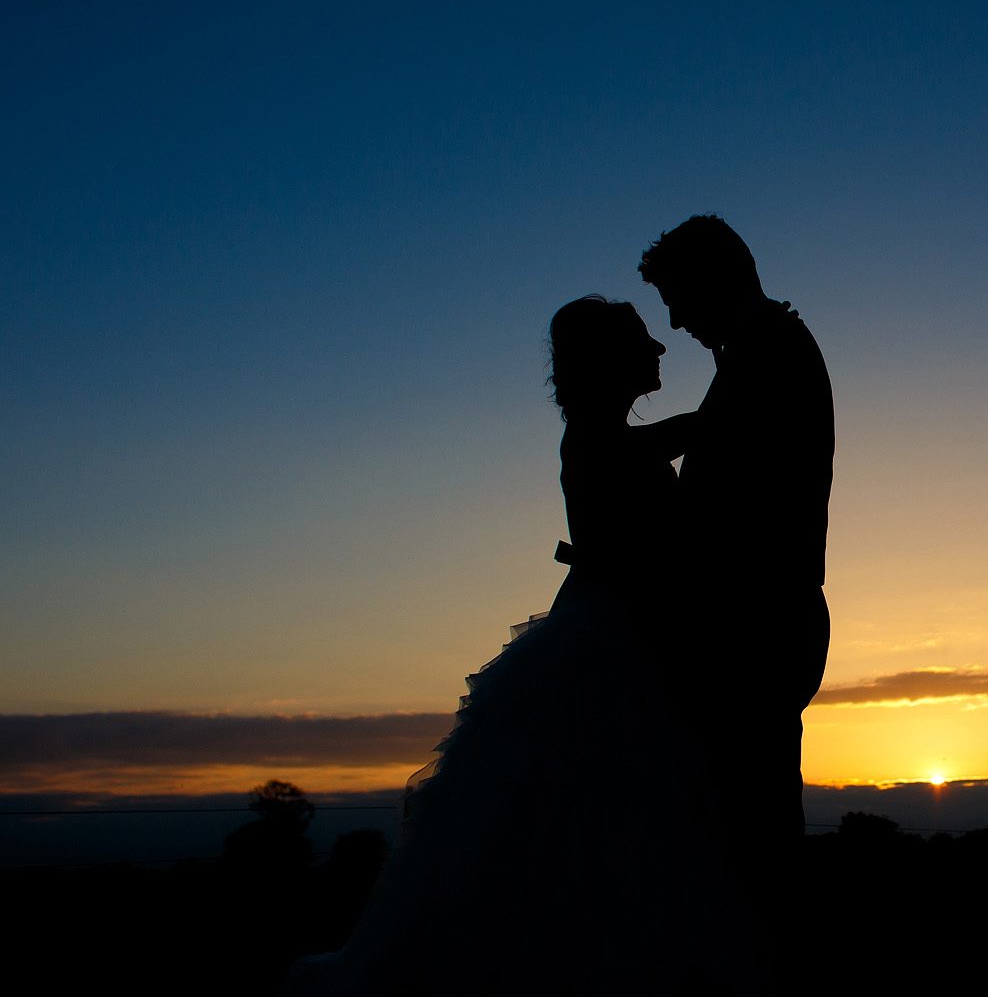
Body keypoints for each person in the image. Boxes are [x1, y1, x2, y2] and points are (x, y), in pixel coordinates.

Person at [281, 297, 749, 995]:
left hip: (617, 630)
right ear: (606, 360)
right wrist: (743, 360)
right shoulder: (593, 437)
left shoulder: (602, 432)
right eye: (642, 340)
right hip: (610, 642)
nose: (659, 349)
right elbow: (699, 430)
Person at [638, 215, 834, 882]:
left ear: (711, 282)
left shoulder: (768, 353)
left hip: (758, 628)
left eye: (676, 299)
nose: (671, 323)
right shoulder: (761, 350)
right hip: (761, 624)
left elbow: (735, 510)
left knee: (751, 844)